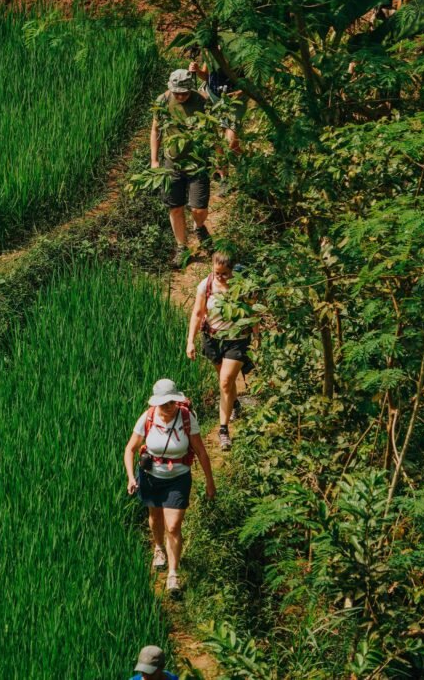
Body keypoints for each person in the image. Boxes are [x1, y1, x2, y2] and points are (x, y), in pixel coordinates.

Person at [124, 379, 215, 594]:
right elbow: (130, 449)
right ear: (156, 403)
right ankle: (158, 548)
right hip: (150, 477)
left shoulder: (186, 418)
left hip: (178, 478)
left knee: (173, 526)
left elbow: (201, 451)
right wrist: (130, 477)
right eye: (164, 404)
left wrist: (210, 481)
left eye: (172, 402)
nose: (169, 407)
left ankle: (173, 575)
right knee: (155, 517)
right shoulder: (147, 418)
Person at [186, 250, 255, 451]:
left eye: (224, 273)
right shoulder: (205, 285)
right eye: (217, 272)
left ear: (233, 271)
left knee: (225, 381)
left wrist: (257, 337)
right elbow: (198, 313)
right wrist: (190, 341)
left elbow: (254, 312)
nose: (220, 277)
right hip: (213, 338)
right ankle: (235, 405)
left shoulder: (243, 287)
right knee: (225, 381)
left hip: (237, 339)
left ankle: (223, 431)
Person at [151, 69, 212, 267]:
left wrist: (219, 158)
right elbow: (156, 130)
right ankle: (182, 248)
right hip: (172, 163)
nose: (180, 96)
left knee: (198, 208)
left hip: (197, 162)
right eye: (177, 93)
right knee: (175, 208)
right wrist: (154, 160)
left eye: (184, 93)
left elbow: (212, 131)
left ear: (190, 89)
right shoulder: (162, 101)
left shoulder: (202, 101)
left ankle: (199, 227)